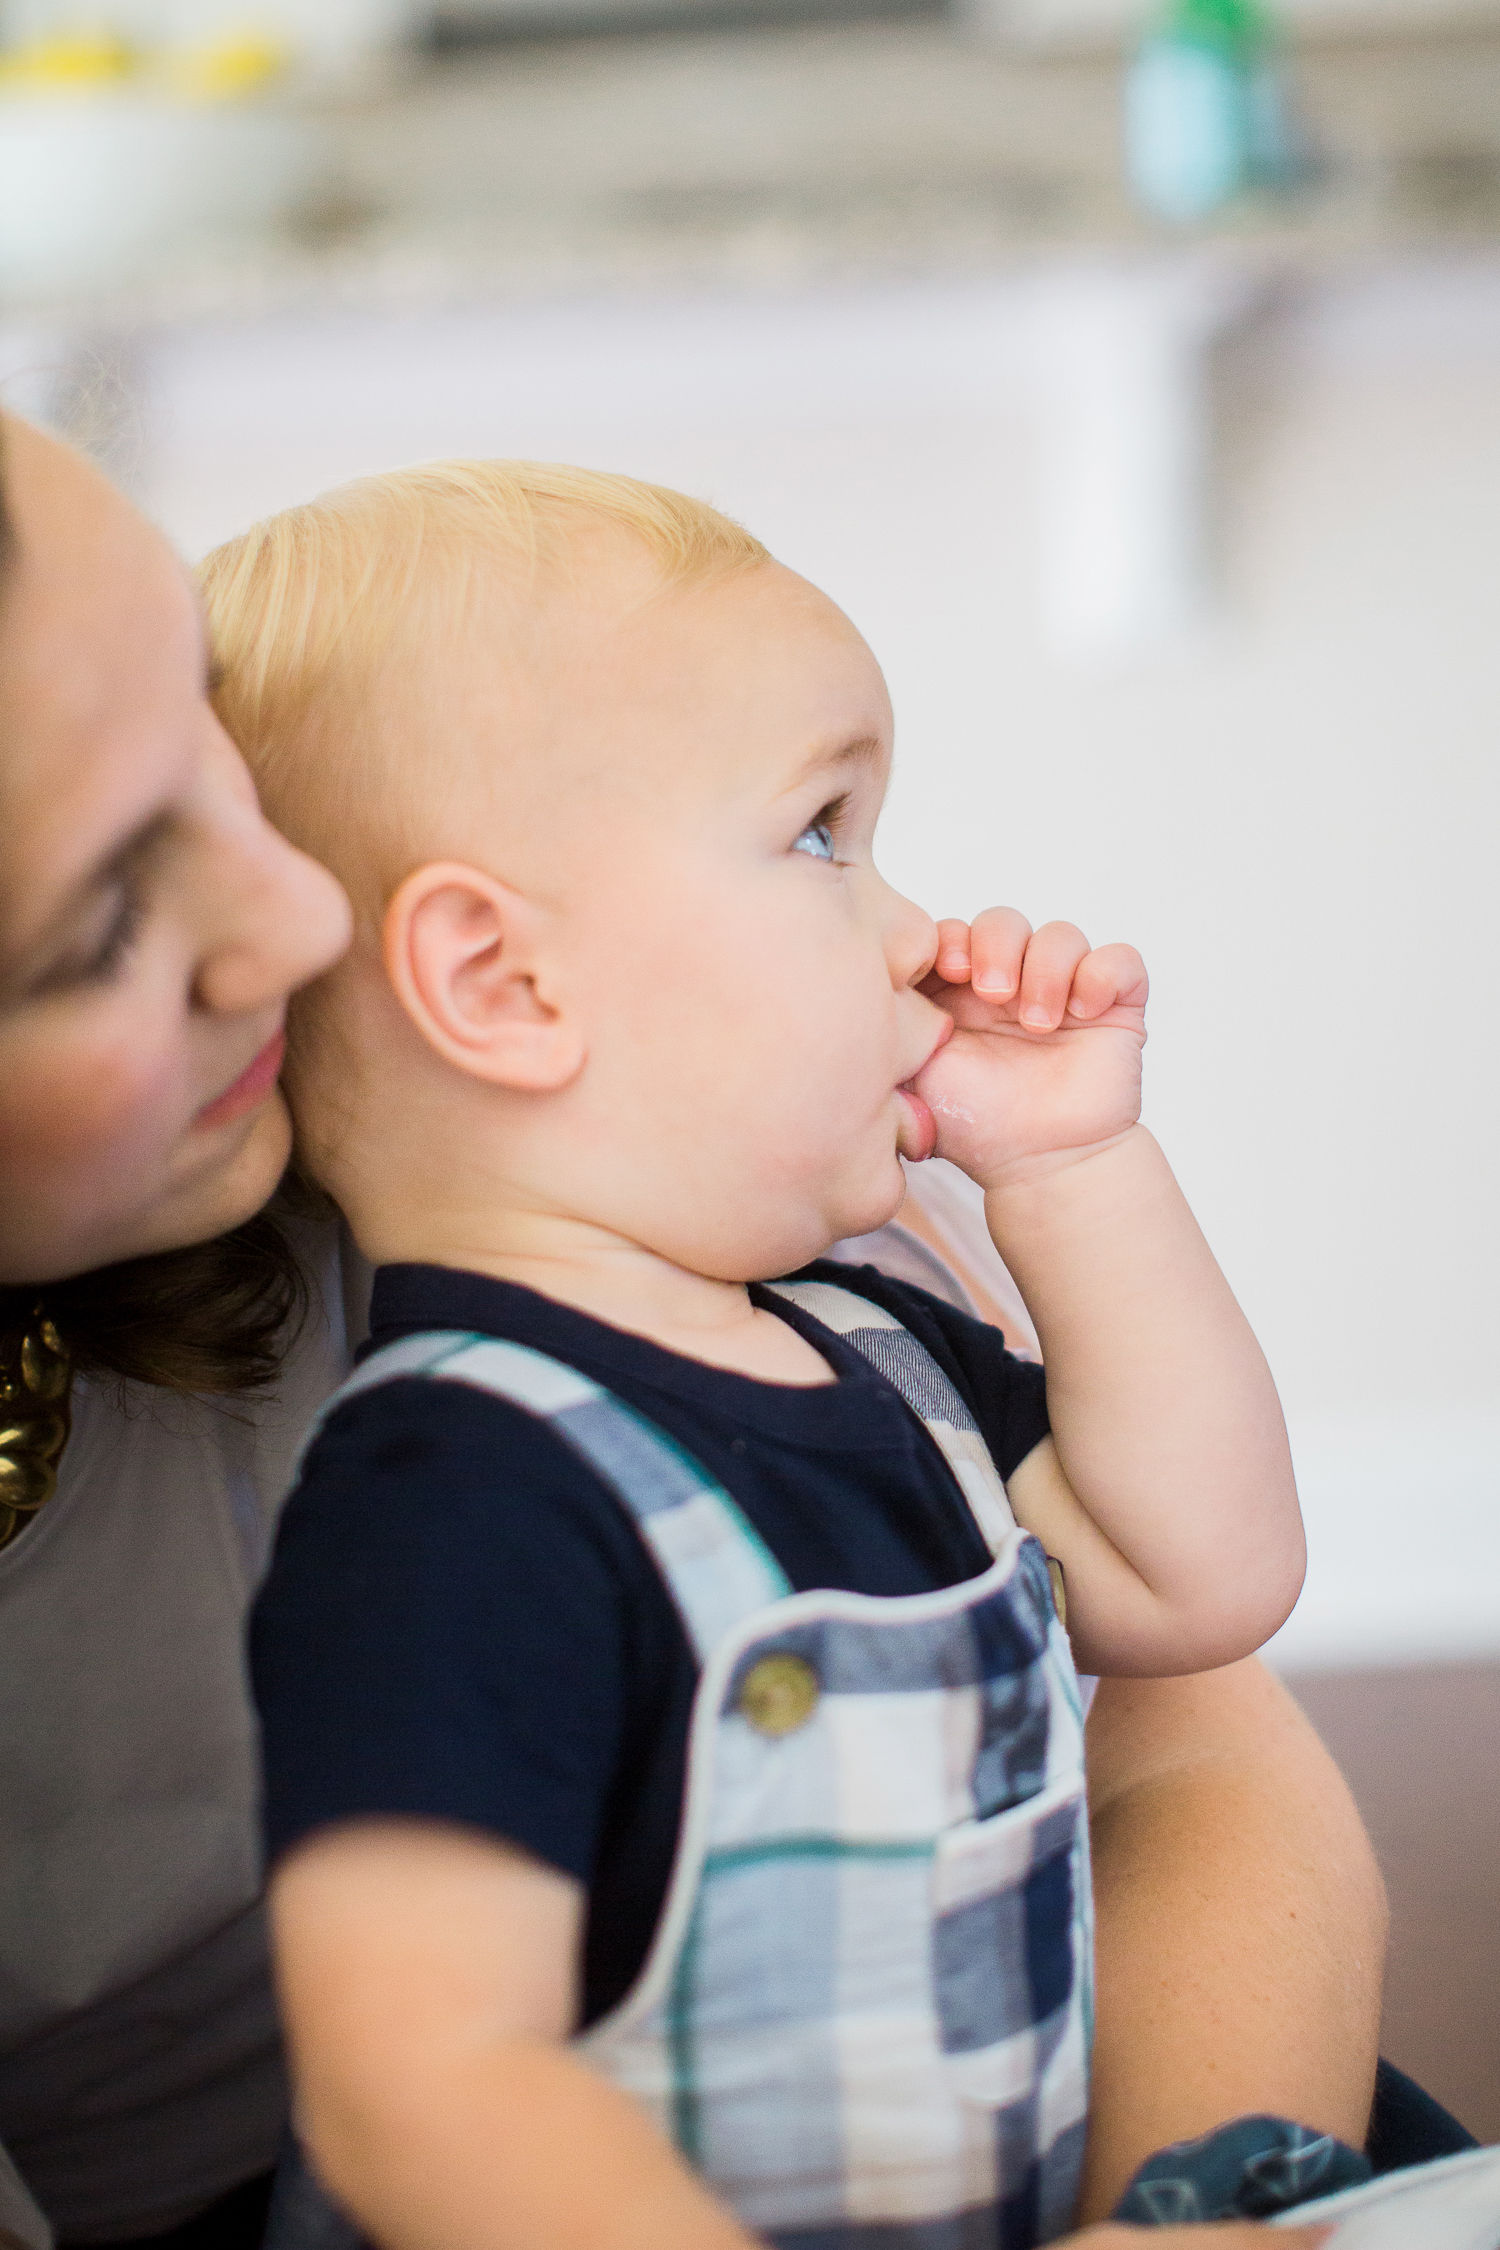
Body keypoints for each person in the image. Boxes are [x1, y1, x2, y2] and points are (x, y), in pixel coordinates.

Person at [0, 411, 1380, 2250]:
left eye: (215, 749)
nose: (297, 910)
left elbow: (1200, 1612)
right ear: (497, 980)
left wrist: (1078, 1176)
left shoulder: (777, 1248)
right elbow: (430, 2093)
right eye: (100, 918)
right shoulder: (448, 1500)